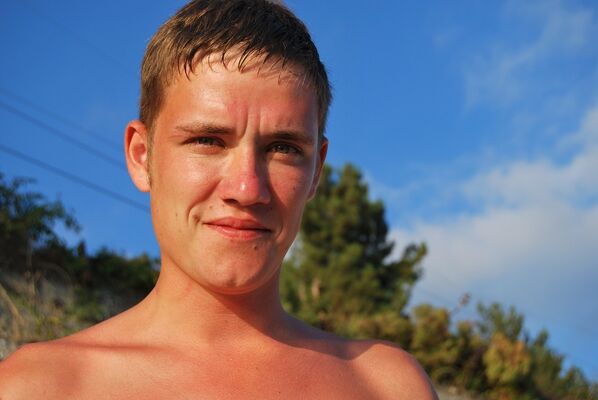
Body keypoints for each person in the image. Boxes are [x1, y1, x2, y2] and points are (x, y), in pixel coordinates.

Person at [0, 1, 438, 398]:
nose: (247, 189)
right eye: (207, 140)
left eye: (283, 148)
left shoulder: (387, 386)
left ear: (316, 172)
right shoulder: (37, 387)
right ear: (142, 155)